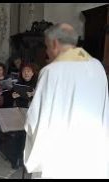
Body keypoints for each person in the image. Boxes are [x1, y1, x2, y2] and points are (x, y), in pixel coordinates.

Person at [24, 23, 109, 179]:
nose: (47, 53)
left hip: (60, 156)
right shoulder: (98, 67)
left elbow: (35, 120)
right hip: (92, 152)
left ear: (55, 43)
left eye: (47, 47)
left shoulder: (52, 71)